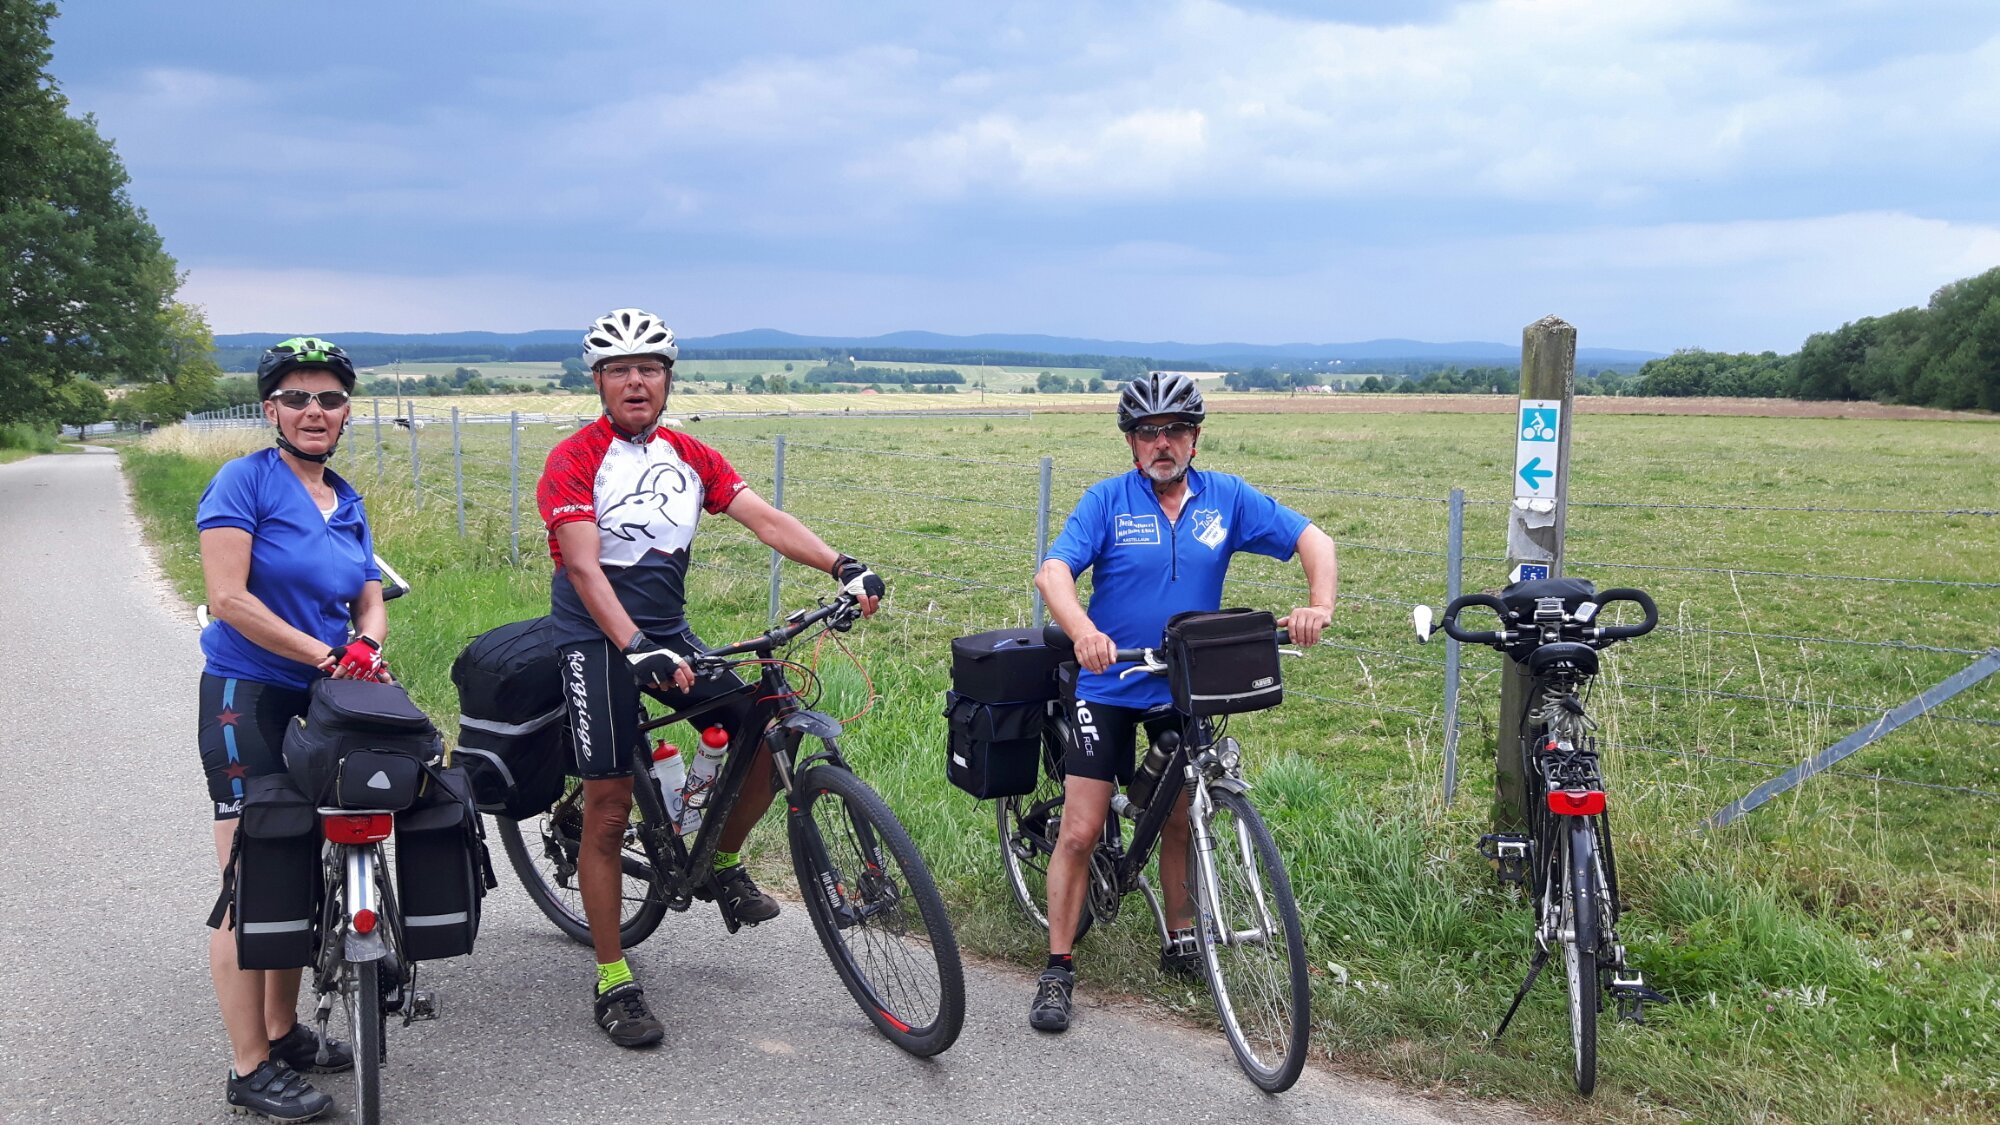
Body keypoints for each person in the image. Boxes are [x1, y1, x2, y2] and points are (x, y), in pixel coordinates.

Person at [536, 308, 885, 1048]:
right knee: (609, 809)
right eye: (620, 370)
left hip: (667, 633)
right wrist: (632, 645)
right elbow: (584, 567)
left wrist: (842, 565)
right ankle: (613, 978)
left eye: (650, 368)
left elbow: (765, 518)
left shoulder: (690, 454)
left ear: (668, 379)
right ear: (598, 381)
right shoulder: (574, 459)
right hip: (595, 641)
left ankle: (721, 860)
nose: (636, 381)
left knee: (763, 721)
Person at [1029, 372, 1336, 1033]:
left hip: (1184, 681)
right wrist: (1084, 633)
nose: (1161, 443)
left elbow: (1316, 541)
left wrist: (1319, 605)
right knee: (1080, 830)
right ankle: (1057, 967)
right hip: (1111, 682)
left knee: (1179, 815)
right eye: (1147, 432)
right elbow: (1053, 572)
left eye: (1173, 430)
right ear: (1131, 443)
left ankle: (1181, 939)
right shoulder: (1107, 500)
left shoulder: (1226, 498)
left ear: (1195, 438)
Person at [196, 338, 389, 1120]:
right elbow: (228, 597)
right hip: (247, 696)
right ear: (271, 409)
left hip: (321, 698)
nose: (315, 411)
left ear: (346, 412)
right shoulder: (243, 480)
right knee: (249, 880)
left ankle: (281, 1030)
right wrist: (326, 654)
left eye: (330, 398)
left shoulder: (345, 498)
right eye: (298, 398)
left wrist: (367, 644)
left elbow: (368, 591)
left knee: (302, 868)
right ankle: (248, 1066)